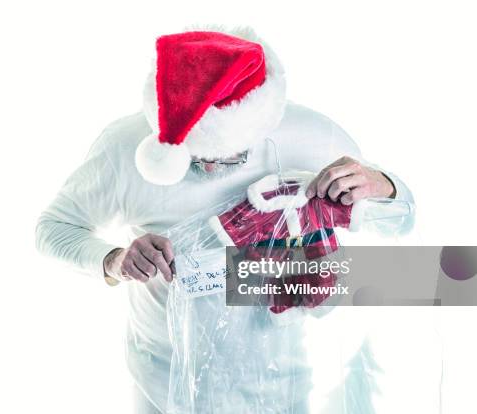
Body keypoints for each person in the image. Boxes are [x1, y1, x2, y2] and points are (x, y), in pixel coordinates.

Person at [36, 26, 414, 413]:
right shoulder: (124, 148)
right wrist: (114, 259)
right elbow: (51, 229)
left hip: (283, 380)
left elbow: (401, 221)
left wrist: (384, 186)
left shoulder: (313, 136)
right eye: (194, 158)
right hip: (163, 380)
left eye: (233, 157)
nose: (213, 168)